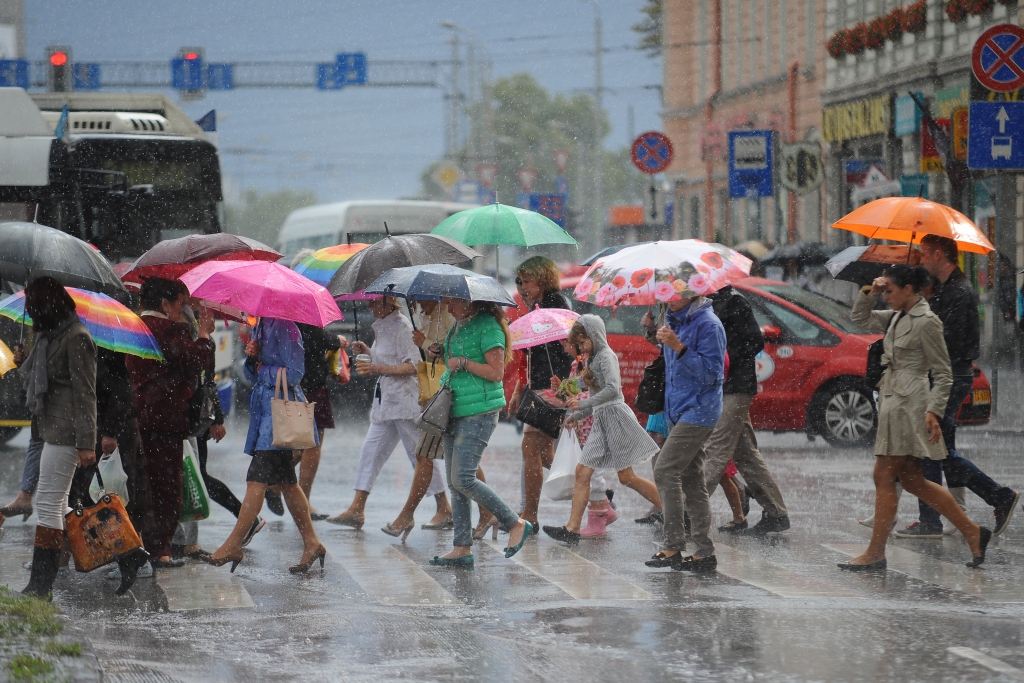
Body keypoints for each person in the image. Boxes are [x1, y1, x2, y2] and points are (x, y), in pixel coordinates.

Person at [841, 265, 990, 571]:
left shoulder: (927, 321)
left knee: (884, 475)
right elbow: (860, 318)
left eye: (890, 291)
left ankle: (876, 552)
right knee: (913, 481)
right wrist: (872, 290)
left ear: (909, 289)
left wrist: (934, 410)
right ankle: (973, 532)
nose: (887, 296)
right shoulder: (897, 315)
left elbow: (944, 374)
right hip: (893, 399)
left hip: (910, 405)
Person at [893, 235, 1019, 539]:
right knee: (939, 450)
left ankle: (950, 513)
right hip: (944, 375)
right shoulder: (945, 289)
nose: (922, 259)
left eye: (925, 254)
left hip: (950, 377)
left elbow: (949, 342)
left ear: (939, 255)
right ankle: (954, 511)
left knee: (934, 448)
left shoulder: (958, 292)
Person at [202, 316, 326, 573]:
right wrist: (252, 357)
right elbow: (251, 374)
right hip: (266, 415)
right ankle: (312, 542)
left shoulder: (286, 327)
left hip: (279, 418)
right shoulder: (261, 325)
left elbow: (295, 373)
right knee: (288, 483)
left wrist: (263, 369)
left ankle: (234, 544)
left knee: (256, 480)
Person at [428, 296, 531, 566]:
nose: (448, 308)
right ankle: (462, 546)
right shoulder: (458, 325)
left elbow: (496, 372)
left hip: (479, 411)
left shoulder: (489, 327)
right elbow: (454, 364)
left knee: (463, 478)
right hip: (455, 407)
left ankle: (515, 522)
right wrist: (440, 354)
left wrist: (463, 362)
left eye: (453, 302)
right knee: (455, 483)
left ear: (470, 302)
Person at [326, 296, 446, 530]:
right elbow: (389, 358)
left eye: (374, 302)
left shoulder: (403, 327)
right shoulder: (382, 326)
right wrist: (369, 352)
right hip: (386, 404)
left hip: (405, 403)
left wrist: (377, 367)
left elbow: (413, 365)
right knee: (370, 452)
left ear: (388, 303)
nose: (369, 306)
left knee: (420, 457)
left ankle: (443, 508)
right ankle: (357, 508)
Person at [542, 316, 660, 545]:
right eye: (579, 344)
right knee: (583, 471)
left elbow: (613, 390)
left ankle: (674, 511)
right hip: (601, 420)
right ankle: (572, 528)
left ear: (594, 335)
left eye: (583, 342)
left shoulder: (606, 356)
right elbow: (595, 395)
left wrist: (582, 405)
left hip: (615, 418)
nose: (581, 348)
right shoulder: (593, 358)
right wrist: (577, 414)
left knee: (627, 477)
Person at [126, 278, 215, 570]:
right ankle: (160, 549)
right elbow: (196, 359)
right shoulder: (169, 329)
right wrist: (204, 335)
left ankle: (135, 543)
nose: (181, 309)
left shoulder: (131, 327)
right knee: (165, 486)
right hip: (165, 420)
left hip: (136, 416)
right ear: (165, 304)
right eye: (180, 303)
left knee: (140, 483)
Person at [19, 277, 99, 598]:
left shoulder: (77, 337)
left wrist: (86, 443)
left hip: (68, 433)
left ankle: (41, 585)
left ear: (47, 306)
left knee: (49, 503)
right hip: (51, 429)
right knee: (59, 503)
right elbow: (47, 377)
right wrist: (24, 359)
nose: (30, 312)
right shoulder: (49, 337)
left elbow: (86, 393)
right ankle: (129, 554)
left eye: (33, 306)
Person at [646, 289, 726, 574]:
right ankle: (704, 552)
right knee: (692, 481)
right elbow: (671, 366)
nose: (669, 296)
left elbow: (712, 374)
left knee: (665, 469)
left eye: (675, 291)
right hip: (678, 409)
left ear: (692, 291)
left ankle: (673, 545)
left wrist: (679, 347)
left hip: (700, 410)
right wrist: (653, 333)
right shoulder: (673, 319)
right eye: (665, 290)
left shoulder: (709, 325)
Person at [705, 284, 790, 534]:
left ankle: (687, 513)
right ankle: (776, 512)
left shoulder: (734, 301)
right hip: (720, 385)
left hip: (736, 386)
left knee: (715, 448)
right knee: (745, 454)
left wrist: (723, 355)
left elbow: (754, 342)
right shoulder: (704, 302)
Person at [506, 257, 574, 531]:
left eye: (527, 281)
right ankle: (596, 494)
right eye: (519, 282)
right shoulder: (538, 306)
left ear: (543, 280)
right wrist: (520, 388)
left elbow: (562, 352)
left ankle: (530, 515)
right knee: (544, 454)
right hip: (540, 386)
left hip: (552, 386)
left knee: (530, 448)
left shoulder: (554, 305)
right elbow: (530, 355)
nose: (522, 287)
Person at [383, 300, 462, 537]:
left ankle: (409, 516)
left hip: (448, 393)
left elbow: (453, 353)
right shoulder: (423, 315)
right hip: (434, 393)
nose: (415, 299)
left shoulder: (447, 314)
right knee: (430, 455)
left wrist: (424, 343)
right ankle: (413, 515)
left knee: (453, 457)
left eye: (419, 295)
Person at [295, 321, 342, 520]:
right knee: (312, 445)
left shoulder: (282, 320)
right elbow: (316, 338)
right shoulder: (305, 320)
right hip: (310, 385)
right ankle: (301, 500)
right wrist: (336, 340)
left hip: (295, 384)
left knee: (298, 445)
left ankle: (275, 484)